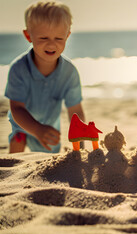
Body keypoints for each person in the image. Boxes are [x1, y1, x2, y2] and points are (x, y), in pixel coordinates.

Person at [5, 1, 85, 153]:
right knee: (18, 139)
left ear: (67, 36)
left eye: (59, 38)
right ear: (28, 35)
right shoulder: (19, 68)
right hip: (22, 121)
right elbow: (16, 108)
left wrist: (81, 147)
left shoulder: (69, 72)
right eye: (43, 38)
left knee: (49, 157)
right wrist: (36, 128)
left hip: (50, 124)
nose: (51, 45)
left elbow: (75, 111)